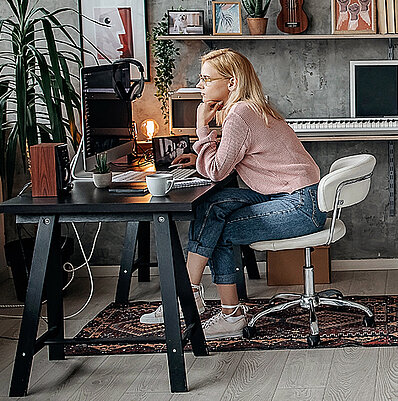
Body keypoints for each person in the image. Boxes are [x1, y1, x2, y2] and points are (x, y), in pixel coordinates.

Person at [139, 48, 327, 340]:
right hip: (291, 198)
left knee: (218, 227)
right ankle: (192, 298)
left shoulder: (240, 114)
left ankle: (217, 309)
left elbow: (216, 171)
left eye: (205, 79)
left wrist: (201, 127)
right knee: (212, 206)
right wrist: (198, 156)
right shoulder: (250, 107)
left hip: (299, 206)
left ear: (231, 82)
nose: (200, 86)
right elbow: (226, 162)